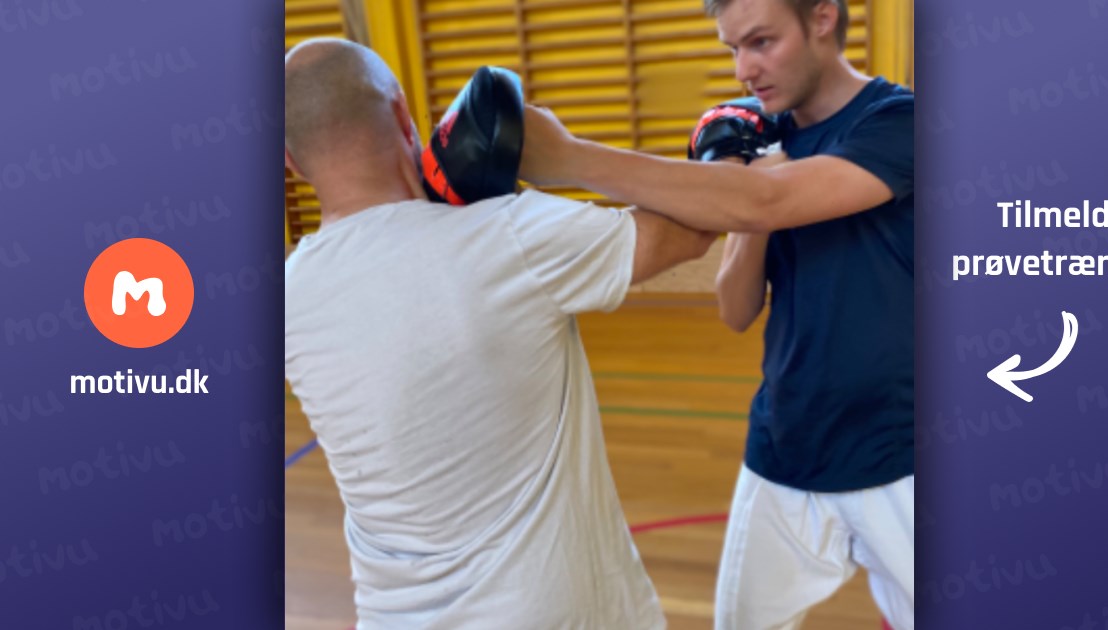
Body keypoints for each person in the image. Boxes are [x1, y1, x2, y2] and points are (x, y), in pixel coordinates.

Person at [283, 38, 717, 629]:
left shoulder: (287, 296)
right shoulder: (506, 236)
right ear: (403, 114)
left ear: (291, 162)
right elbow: (691, 230)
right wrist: (580, 154)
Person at [518, 0, 915, 628]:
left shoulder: (899, 121)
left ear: (822, 18)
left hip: (902, 453)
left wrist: (568, 158)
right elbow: (734, 307)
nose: (743, 70)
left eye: (761, 42)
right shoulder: (766, 138)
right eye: (733, 48)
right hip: (787, 446)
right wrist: (745, 193)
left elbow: (768, 199)